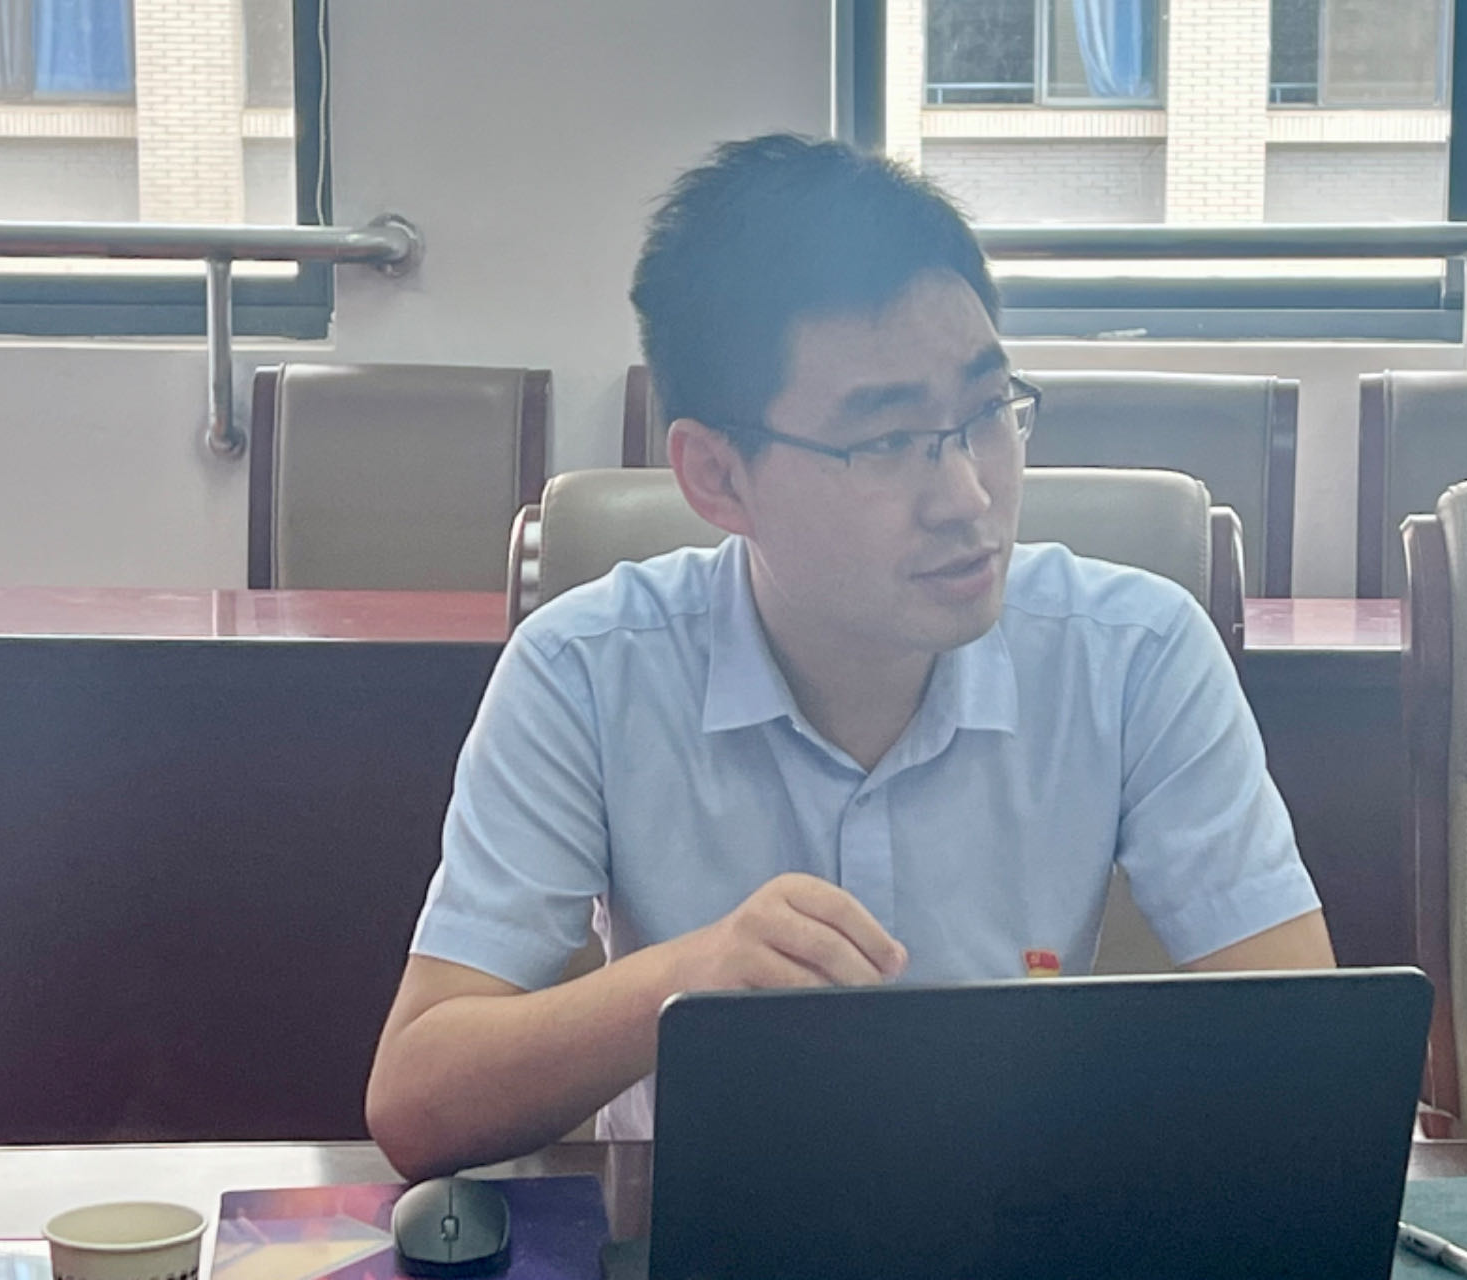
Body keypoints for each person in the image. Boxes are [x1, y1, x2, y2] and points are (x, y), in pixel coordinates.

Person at [365, 134, 1334, 1180]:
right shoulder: (586, 671)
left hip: (1025, 1218)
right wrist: (686, 983)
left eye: (987, 414)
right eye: (883, 441)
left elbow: (1308, 1063)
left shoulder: (1137, 652)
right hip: (702, 1222)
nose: (967, 496)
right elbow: (418, 1101)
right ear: (717, 476)